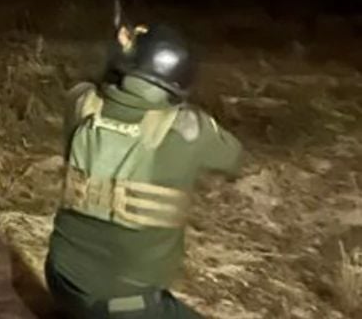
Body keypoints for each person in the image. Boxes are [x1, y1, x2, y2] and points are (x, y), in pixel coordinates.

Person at [45, 23, 243, 318]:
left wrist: (121, 61)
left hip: (60, 278)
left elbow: (98, 86)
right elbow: (234, 157)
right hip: (125, 304)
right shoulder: (189, 128)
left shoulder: (80, 102)